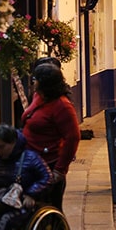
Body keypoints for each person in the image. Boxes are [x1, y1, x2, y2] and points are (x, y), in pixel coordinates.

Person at [21, 63, 80, 210]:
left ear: (44, 83)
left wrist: (60, 170)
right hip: (30, 162)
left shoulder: (62, 106)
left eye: (36, 79)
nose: (33, 82)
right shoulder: (38, 97)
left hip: (48, 164)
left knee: (49, 207)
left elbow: (72, 137)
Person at [0, 125, 52, 230]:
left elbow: (47, 178)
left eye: (1, 147)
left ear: (13, 142)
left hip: (21, 205)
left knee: (4, 220)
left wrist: (31, 194)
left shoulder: (31, 158)